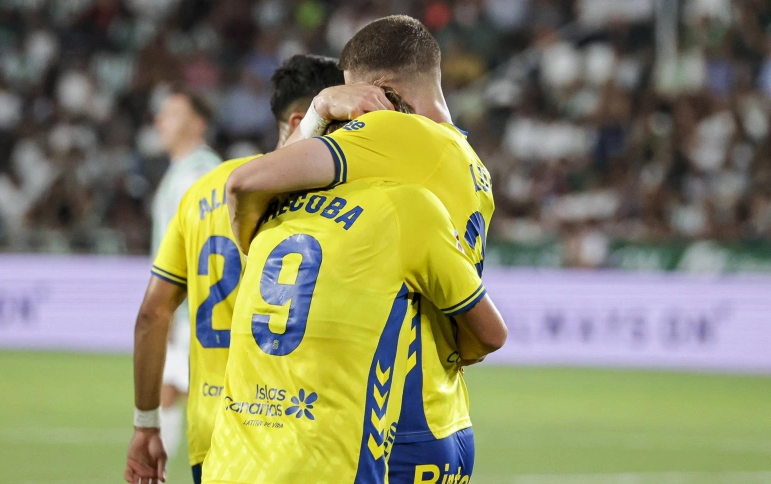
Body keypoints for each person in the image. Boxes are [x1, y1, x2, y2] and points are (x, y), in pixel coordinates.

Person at [222, 15, 496, 482]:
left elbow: (247, 182)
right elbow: (475, 329)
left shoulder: (398, 133)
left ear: (383, 93)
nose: (348, 117)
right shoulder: (472, 168)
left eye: (353, 97)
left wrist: (319, 109)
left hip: (388, 421)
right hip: (444, 410)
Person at [124, 55, 345, 484]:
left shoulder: (203, 189)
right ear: (305, 120)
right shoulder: (339, 202)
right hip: (297, 437)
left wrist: (145, 425)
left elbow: (152, 313)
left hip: (212, 434)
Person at [202, 178, 506, 483]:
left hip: (230, 465)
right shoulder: (402, 208)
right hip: (329, 466)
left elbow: (240, 184)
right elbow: (491, 335)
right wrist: (461, 350)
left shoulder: (269, 206)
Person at [151, 86, 222, 463]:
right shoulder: (187, 170)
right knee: (169, 390)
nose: (160, 121)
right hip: (192, 308)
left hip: (197, 308)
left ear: (198, 123)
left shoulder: (197, 175)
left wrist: (172, 307)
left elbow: (200, 249)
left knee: (193, 393)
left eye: (172, 114)